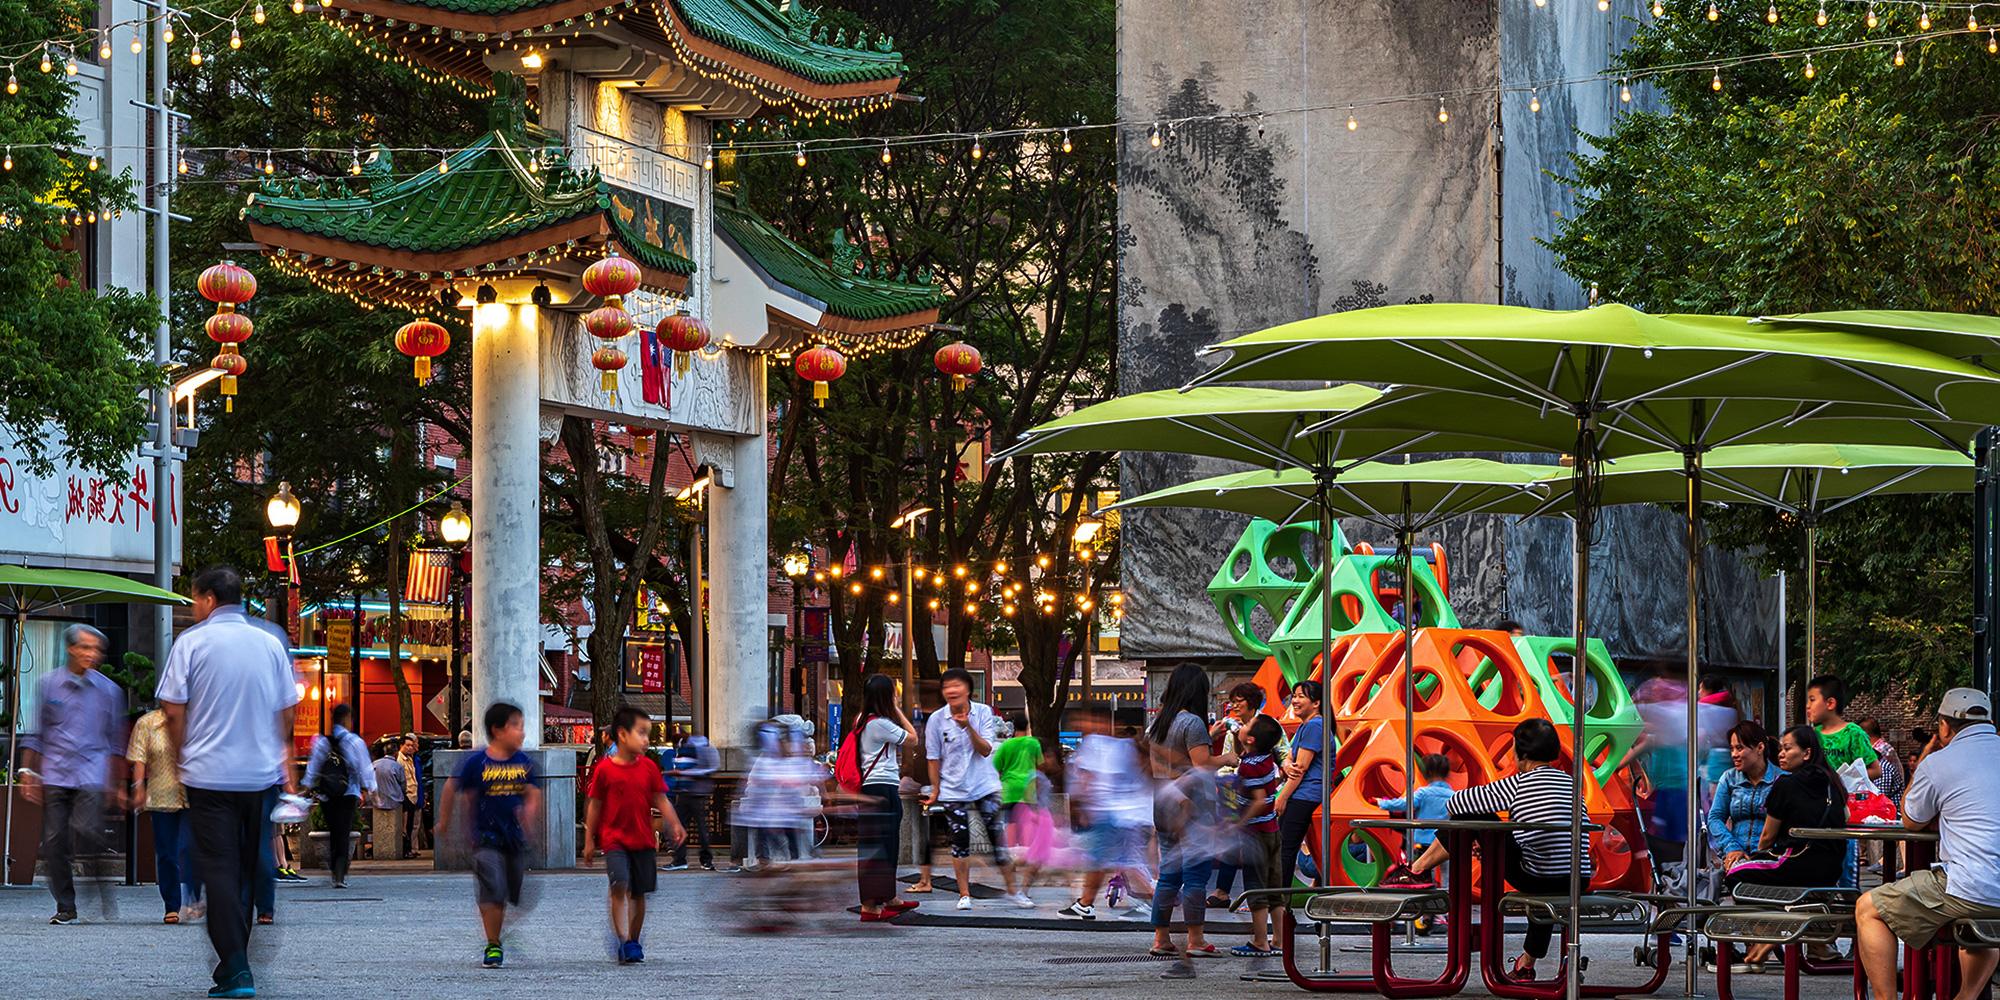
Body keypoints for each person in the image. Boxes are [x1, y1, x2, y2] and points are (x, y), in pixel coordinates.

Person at [157, 566, 301, 999]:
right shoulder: (270, 640)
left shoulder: (192, 643)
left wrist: (181, 754)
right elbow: (287, 712)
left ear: (207, 598)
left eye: (195, 600)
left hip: (210, 774)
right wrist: (280, 759)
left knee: (218, 867)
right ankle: (231, 963)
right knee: (245, 867)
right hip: (259, 776)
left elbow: (172, 710)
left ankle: (237, 968)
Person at [1857, 688, 2000, 1000]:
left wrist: (1924, 758)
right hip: (1992, 891)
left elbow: (1911, 819)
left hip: (1973, 887)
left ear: (1944, 727)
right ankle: (1966, 996)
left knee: (1868, 908)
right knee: (1984, 915)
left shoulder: (1940, 763)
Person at [1442, 717, 1593, 978]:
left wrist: (1492, 836)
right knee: (1545, 867)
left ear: (1521, 752)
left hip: (1537, 877)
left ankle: (1416, 870)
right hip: (1578, 879)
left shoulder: (1519, 783)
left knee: (1470, 817)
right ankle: (1525, 965)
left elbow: (1456, 804)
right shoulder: (1572, 785)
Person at [18, 623, 125, 926]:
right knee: (54, 841)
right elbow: (37, 731)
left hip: (91, 770)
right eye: (87, 647)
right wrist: (27, 770)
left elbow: (116, 740)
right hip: (56, 771)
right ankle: (66, 905)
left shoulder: (109, 691)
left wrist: (116, 783)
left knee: (86, 829)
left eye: (97, 649)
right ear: (71, 648)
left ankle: (99, 876)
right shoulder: (48, 684)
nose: (93, 654)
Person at [1719, 725, 1846, 971]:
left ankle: (1770, 934)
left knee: (1737, 873)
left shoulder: (1785, 784)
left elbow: (1767, 837)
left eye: (1788, 749)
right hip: (1831, 868)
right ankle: (1813, 943)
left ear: (1807, 753)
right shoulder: (1833, 782)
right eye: (1781, 748)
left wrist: (1756, 856)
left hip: (1798, 861)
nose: (1781, 754)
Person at [437, 701, 543, 970]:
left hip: (514, 839)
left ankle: (498, 926)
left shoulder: (524, 763)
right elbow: (452, 787)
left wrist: (529, 813)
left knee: (514, 892)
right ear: (497, 730)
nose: (522, 732)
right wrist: (444, 822)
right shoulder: (476, 762)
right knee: (493, 887)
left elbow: (533, 792)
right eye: (516, 726)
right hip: (485, 839)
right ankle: (493, 944)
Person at [582, 706, 683, 965]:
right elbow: (595, 804)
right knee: (619, 885)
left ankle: (634, 941)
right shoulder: (605, 770)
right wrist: (589, 839)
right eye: (641, 733)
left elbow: (660, 799)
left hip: (643, 840)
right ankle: (624, 939)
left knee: (639, 894)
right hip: (614, 839)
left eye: (647, 734)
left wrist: (674, 823)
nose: (646, 740)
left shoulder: (649, 767)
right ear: (622, 735)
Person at [923, 668, 1024, 910]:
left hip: (984, 785)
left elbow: (986, 749)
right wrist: (935, 790)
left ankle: (1014, 891)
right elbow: (933, 758)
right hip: (953, 789)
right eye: (946, 686)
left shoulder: (983, 713)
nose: (951, 690)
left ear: (968, 689)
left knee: (996, 839)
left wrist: (968, 726)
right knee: (959, 840)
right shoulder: (937, 719)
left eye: (956, 685)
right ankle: (964, 894)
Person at [1149, 662, 1218, 977]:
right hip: (1192, 807)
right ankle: (1196, 939)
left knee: (1169, 874)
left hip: (1164, 804)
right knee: (1195, 876)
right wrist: (1229, 757)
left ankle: (1160, 938)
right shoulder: (1193, 723)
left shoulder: (1159, 722)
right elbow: (1202, 765)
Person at [1062, 701, 1153, 919]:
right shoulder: (1123, 745)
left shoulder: (1096, 742)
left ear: (1100, 722)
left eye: (1087, 719)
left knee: (1113, 861)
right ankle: (1085, 904)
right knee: (1111, 861)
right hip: (1125, 813)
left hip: (1112, 813)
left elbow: (1088, 778)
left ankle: (1153, 902)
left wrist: (1082, 806)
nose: (1081, 725)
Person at [849, 674, 920, 921]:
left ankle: (888, 897)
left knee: (883, 846)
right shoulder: (879, 724)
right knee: (881, 848)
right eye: (893, 692)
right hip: (882, 788)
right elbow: (913, 738)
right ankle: (871, 906)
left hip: (874, 789)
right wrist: (898, 710)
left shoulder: (862, 719)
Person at [128, 700, 200, 923]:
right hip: (161, 795)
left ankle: (194, 898)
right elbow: (138, 759)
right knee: (167, 852)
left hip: (195, 794)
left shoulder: (198, 720)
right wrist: (138, 787)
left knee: (192, 848)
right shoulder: (148, 723)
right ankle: (172, 905)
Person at [1226, 714, 1285, 956]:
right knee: (1275, 887)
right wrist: (1235, 734)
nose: (1243, 724)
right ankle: (1279, 940)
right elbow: (1244, 754)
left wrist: (1239, 822)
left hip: (1256, 833)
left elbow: (1259, 801)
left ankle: (1260, 941)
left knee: (1256, 887)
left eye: (1247, 725)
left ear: (1250, 739)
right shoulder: (1264, 757)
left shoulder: (1250, 766)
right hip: (1272, 830)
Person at [303, 704, 376, 888]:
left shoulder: (322, 742)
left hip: (328, 794)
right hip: (348, 792)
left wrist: (307, 786)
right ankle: (339, 873)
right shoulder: (354, 742)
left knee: (333, 830)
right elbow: (364, 767)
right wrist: (370, 788)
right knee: (343, 831)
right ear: (347, 719)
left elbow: (314, 767)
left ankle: (335, 866)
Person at [1707, 721, 1781, 875]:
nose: (1734, 754)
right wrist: (1731, 847)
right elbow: (1715, 818)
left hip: (1772, 858)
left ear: (1760, 748)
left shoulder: (1782, 780)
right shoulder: (1729, 778)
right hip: (1735, 858)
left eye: (1739, 748)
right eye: (1732, 748)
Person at [1274, 680, 1327, 891]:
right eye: (1294, 696)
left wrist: (1282, 797)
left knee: (1285, 849)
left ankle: (1278, 900)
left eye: (1301, 696)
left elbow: (1299, 769)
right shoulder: (1309, 726)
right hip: (1304, 793)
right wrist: (1286, 763)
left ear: (1316, 703)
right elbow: (1290, 760)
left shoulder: (1314, 725)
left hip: (1306, 794)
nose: (1294, 701)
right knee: (1284, 848)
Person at [1377, 753, 1457, 889]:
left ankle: (1427, 899)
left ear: (1427, 772)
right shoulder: (1453, 795)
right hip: (1444, 843)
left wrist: (1383, 803)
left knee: (1422, 874)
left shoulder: (1424, 793)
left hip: (1423, 842)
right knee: (1447, 875)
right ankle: (1447, 899)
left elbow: (1404, 804)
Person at [666, 729, 721, 871]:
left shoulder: (702, 748)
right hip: (691, 792)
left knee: (691, 827)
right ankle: (700, 860)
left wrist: (684, 773)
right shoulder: (699, 747)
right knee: (695, 827)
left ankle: (683, 860)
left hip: (694, 792)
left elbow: (710, 768)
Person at [991, 712, 1044, 829]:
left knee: (1011, 823)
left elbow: (995, 767)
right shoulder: (1034, 743)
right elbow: (1040, 766)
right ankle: (1026, 846)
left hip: (1010, 790)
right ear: (1027, 726)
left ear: (1014, 727)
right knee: (1027, 822)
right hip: (1029, 790)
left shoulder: (1006, 745)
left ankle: (1011, 846)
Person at [395, 735, 424, 855]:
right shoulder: (399, 760)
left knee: (411, 824)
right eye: (407, 745)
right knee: (406, 826)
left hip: (414, 795)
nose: (410, 748)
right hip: (407, 796)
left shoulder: (411, 759)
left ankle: (409, 849)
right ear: (401, 746)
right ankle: (407, 850)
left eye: (412, 745)